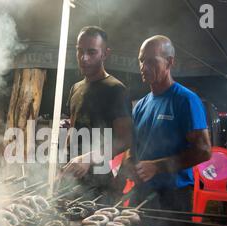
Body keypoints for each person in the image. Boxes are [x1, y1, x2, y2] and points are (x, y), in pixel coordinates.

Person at [124, 35, 211, 213]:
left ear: (169, 62)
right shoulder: (140, 105)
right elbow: (132, 146)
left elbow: (203, 151)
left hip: (174, 196)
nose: (143, 67)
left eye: (150, 61)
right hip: (142, 191)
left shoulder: (185, 100)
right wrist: (129, 163)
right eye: (141, 61)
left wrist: (156, 167)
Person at [60, 26, 132, 201]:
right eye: (80, 51)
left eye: (91, 52)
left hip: (99, 184)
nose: (84, 58)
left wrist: (88, 158)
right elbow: (74, 128)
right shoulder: (75, 88)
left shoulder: (116, 89)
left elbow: (125, 140)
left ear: (105, 54)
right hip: (71, 179)